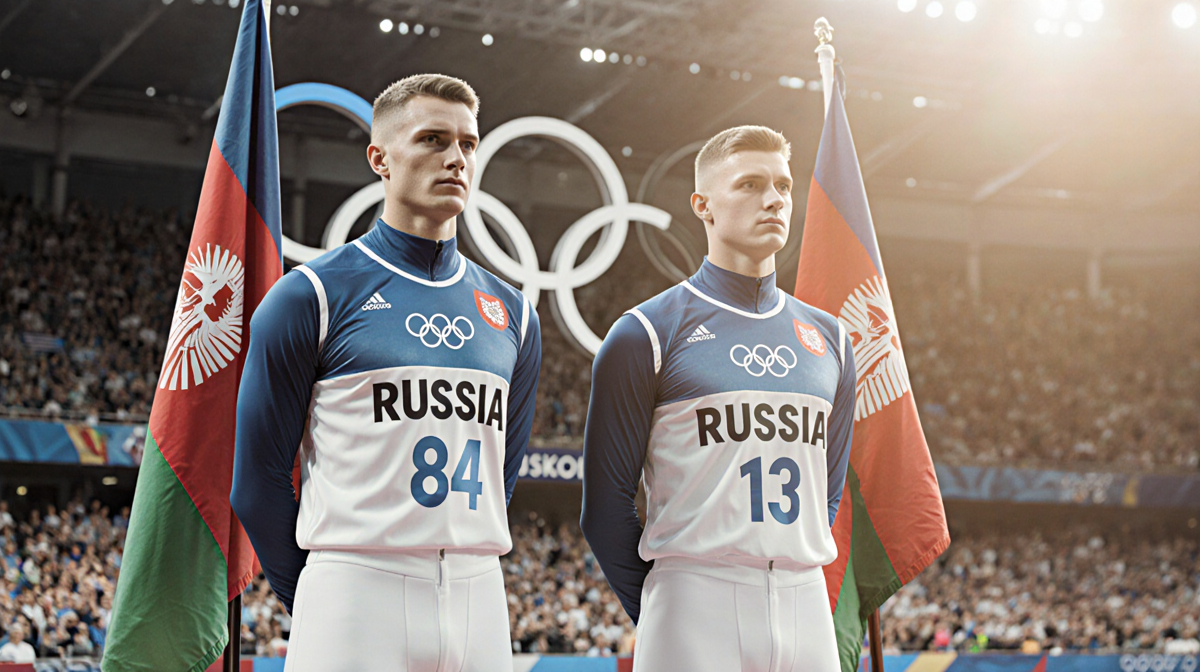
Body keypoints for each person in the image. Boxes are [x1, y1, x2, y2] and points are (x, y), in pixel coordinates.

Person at [231, 73, 541, 672]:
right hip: (354, 591)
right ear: (380, 158)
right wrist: (324, 595)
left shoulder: (516, 315)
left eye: (468, 144)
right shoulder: (312, 295)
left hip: (481, 594)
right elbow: (257, 479)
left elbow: (504, 475)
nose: (455, 158)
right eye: (431, 139)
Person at [580, 125, 855, 671]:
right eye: (750, 184)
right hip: (694, 601)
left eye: (782, 185)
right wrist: (666, 605)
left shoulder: (831, 340)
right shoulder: (646, 332)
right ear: (702, 205)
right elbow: (605, 506)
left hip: (805, 605)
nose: (773, 198)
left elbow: (827, 493)